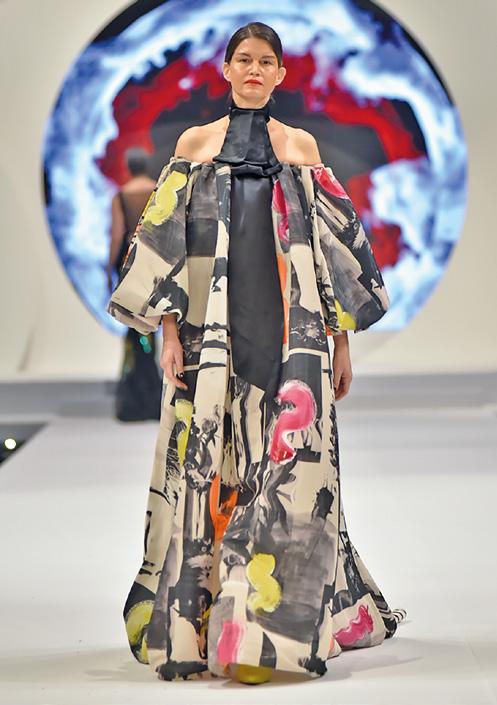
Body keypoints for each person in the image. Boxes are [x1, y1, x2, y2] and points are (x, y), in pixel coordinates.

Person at [107, 21, 407, 685]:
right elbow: (165, 247)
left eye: (265, 61)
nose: (252, 70)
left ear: (279, 74)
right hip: (210, 335)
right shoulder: (194, 146)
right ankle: (205, 624)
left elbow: (333, 252)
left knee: (287, 476)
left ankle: (263, 632)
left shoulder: (300, 147)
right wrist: (167, 335)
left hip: (291, 338)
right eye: (242, 59)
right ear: (226, 68)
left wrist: (340, 343)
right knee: (207, 471)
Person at [107, 148, 162, 422]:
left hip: (129, 266)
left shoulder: (121, 195)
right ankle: (153, 396)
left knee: (134, 329)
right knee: (151, 327)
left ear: (128, 167)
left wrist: (109, 266)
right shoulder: (157, 190)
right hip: (153, 263)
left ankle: (137, 397)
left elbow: (118, 234)